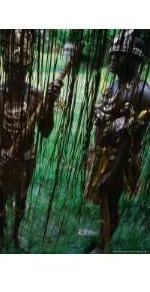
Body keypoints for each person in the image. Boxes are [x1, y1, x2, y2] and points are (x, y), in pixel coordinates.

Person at [0, 30, 62, 251]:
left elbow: (45, 131)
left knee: (21, 198)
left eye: (22, 69)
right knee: (0, 197)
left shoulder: (36, 96)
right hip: (2, 157)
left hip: (26, 159)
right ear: (6, 68)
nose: (17, 74)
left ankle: (15, 233)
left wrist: (49, 105)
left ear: (27, 69)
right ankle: (1, 235)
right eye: (13, 69)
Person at [84, 30, 150, 253]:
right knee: (102, 199)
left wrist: (113, 173)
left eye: (118, 55)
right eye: (112, 54)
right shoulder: (114, 86)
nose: (112, 58)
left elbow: (132, 141)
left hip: (118, 162)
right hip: (101, 154)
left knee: (111, 201)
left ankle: (104, 246)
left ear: (135, 59)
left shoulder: (143, 93)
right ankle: (103, 235)